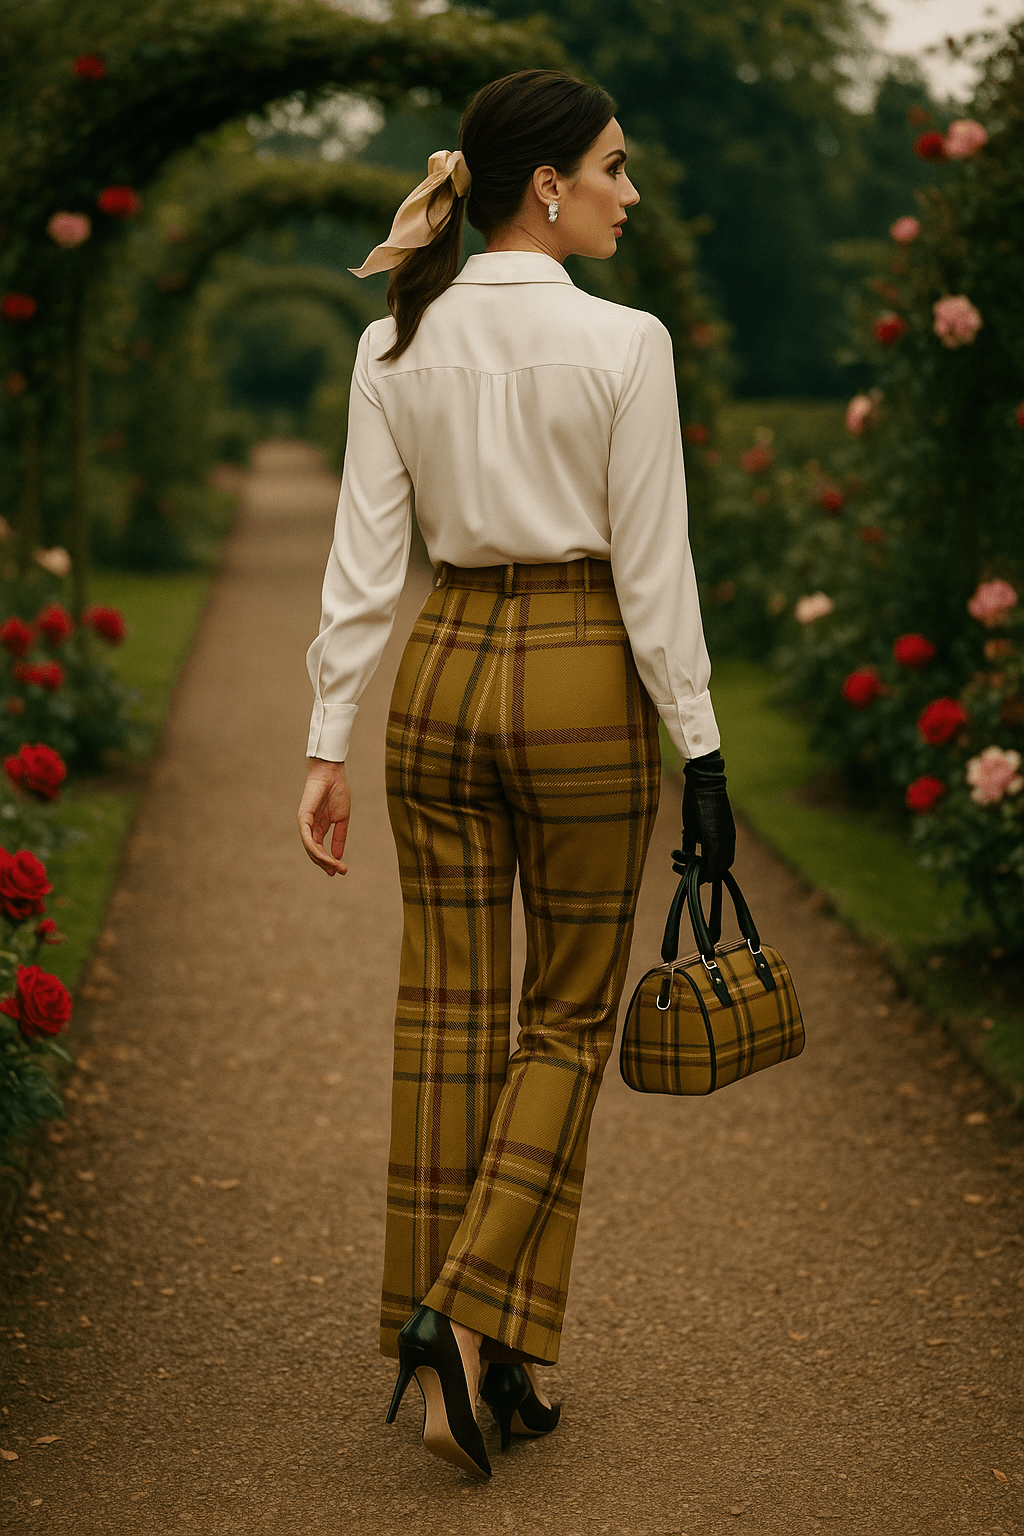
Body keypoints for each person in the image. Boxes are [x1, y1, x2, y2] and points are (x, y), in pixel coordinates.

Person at [297, 69, 735, 1481]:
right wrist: (701, 746)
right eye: (615, 166)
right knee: (564, 1026)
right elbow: (653, 570)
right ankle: (461, 1315)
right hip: (579, 678)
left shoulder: (393, 341)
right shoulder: (626, 343)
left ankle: (494, 1364)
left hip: (438, 679)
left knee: (446, 1018)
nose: (629, 192)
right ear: (548, 184)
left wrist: (327, 740)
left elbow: (365, 565)